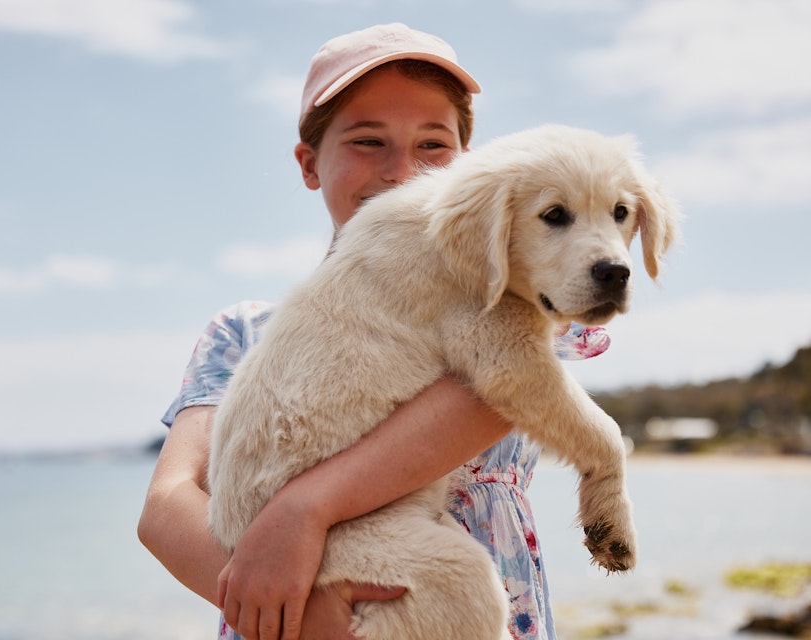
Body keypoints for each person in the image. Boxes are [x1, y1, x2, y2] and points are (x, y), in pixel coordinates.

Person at [139, 23, 609, 640]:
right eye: (368, 141)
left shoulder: (508, 295)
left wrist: (306, 508)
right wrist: (297, 613)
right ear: (310, 164)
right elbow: (167, 504)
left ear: (467, 168)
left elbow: (496, 394)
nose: (404, 172)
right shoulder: (248, 331)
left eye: (433, 145)